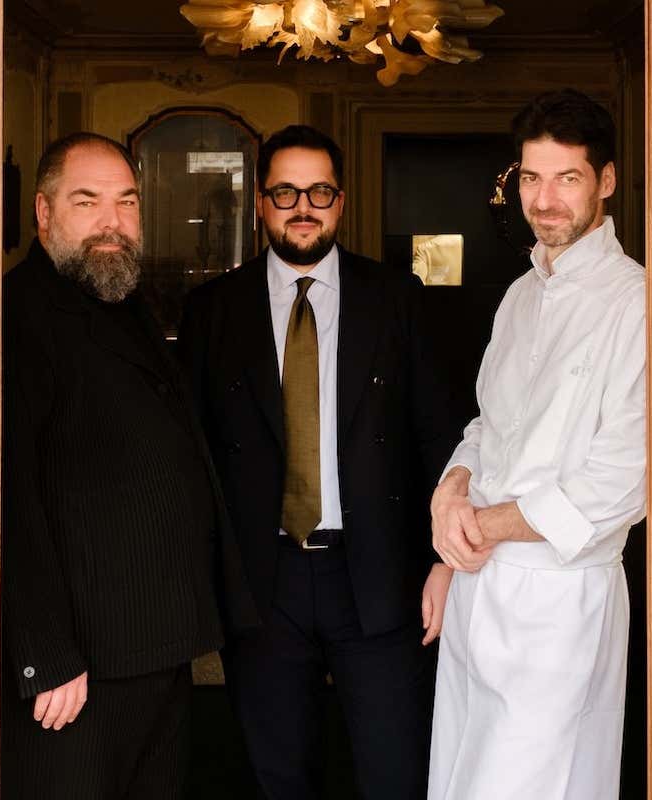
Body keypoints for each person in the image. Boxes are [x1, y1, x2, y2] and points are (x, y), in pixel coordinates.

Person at [180, 125, 457, 799]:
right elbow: (194, 459)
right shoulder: (212, 310)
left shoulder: (397, 299)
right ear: (260, 204)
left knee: (395, 774)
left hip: (380, 576)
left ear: (340, 202)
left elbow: (441, 437)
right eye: (285, 192)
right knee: (279, 780)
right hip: (261, 585)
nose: (303, 207)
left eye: (319, 192)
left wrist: (444, 562)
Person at [0, 132, 257, 799]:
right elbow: (7, 496)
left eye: (127, 202)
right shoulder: (17, 314)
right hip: (77, 666)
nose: (111, 221)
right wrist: (44, 655)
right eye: (87, 202)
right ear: (44, 212)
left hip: (154, 640)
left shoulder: (122, 300)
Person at [427, 89, 647, 800]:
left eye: (567, 178)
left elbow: (621, 483)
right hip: (479, 588)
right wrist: (452, 494)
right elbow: (489, 427)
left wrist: (479, 527)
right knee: (461, 777)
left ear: (606, 181)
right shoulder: (520, 294)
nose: (544, 200)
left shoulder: (640, 303)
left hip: (562, 603)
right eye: (531, 178)